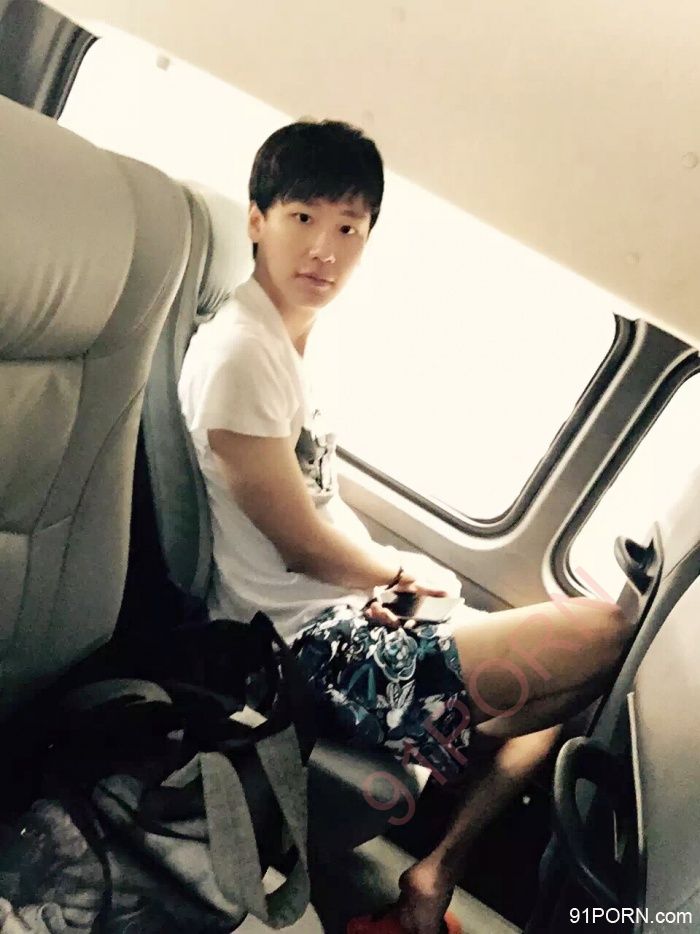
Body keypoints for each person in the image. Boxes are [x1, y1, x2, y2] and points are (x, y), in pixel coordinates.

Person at [178, 120, 631, 934]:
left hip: (343, 617)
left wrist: (389, 579)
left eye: (349, 228)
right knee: (601, 631)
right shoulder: (240, 352)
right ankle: (443, 778)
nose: (325, 249)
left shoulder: (291, 344)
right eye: (303, 218)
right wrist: (393, 574)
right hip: (290, 647)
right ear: (257, 220)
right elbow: (297, 543)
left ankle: (433, 873)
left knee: (562, 702)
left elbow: (319, 503)